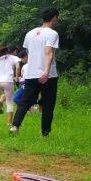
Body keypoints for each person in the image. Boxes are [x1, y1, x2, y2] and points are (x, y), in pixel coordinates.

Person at [11, 8, 60, 136]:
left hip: (31, 74)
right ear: (54, 18)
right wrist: (46, 71)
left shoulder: (30, 33)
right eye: (57, 18)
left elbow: (28, 53)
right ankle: (45, 133)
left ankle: (15, 126)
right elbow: (48, 52)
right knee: (48, 104)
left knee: (25, 101)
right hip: (48, 75)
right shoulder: (52, 34)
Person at [0, 45, 21, 126]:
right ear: (14, 51)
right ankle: (9, 123)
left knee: (5, 94)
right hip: (8, 81)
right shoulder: (14, 57)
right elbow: (18, 68)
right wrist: (16, 78)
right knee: (9, 102)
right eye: (16, 51)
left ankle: (0, 102)